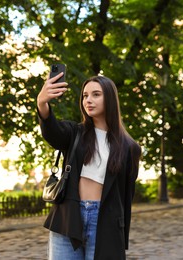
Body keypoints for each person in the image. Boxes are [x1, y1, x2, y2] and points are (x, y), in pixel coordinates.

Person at [37, 71, 141, 260]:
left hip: (105, 222)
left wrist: (121, 238)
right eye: (85, 96)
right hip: (69, 218)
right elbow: (53, 132)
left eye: (96, 94)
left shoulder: (129, 148)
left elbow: (126, 197)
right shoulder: (75, 133)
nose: (88, 100)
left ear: (109, 98)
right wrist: (42, 103)